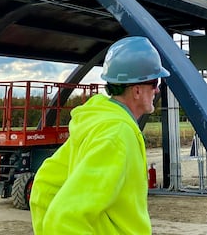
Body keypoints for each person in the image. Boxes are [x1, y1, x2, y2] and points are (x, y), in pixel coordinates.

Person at [30, 36, 170, 234]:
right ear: (137, 90)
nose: (157, 90)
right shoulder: (117, 134)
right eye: (155, 82)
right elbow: (65, 218)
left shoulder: (97, 123)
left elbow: (45, 186)